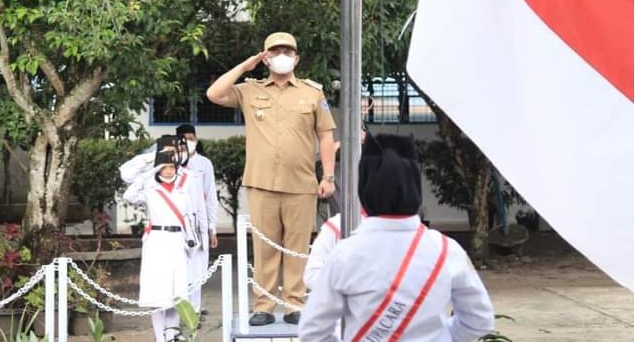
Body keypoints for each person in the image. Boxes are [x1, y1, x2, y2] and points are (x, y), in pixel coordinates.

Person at [298, 133, 495, 341]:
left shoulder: (344, 254)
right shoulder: (447, 250)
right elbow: (479, 321)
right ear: (416, 188)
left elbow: (312, 332)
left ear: (364, 189)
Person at [206, 31, 337, 326]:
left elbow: (326, 136)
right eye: (275, 51)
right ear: (265, 57)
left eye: (287, 51)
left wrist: (328, 176)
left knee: (297, 247)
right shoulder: (249, 90)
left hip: (301, 184)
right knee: (264, 246)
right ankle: (263, 305)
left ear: (296, 58)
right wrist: (245, 66)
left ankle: (294, 303)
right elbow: (214, 94)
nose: (282, 56)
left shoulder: (312, 92)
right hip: (262, 183)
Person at [120, 138, 198, 342]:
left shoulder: (183, 186)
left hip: (177, 240)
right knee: (157, 292)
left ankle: (172, 334)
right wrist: (151, 167)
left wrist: (192, 242)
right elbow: (129, 194)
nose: (169, 170)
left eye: (172, 166)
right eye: (165, 167)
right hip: (156, 240)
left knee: (175, 293)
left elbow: (188, 216)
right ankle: (159, 337)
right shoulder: (150, 188)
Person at [175, 124, 218, 318]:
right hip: (178, 224)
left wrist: (212, 227)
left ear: (197, 139)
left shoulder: (204, 164)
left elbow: (210, 196)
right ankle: (181, 311)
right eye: (184, 139)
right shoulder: (172, 164)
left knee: (198, 269)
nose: (189, 142)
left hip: (198, 223)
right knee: (180, 270)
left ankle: (194, 312)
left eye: (191, 138)